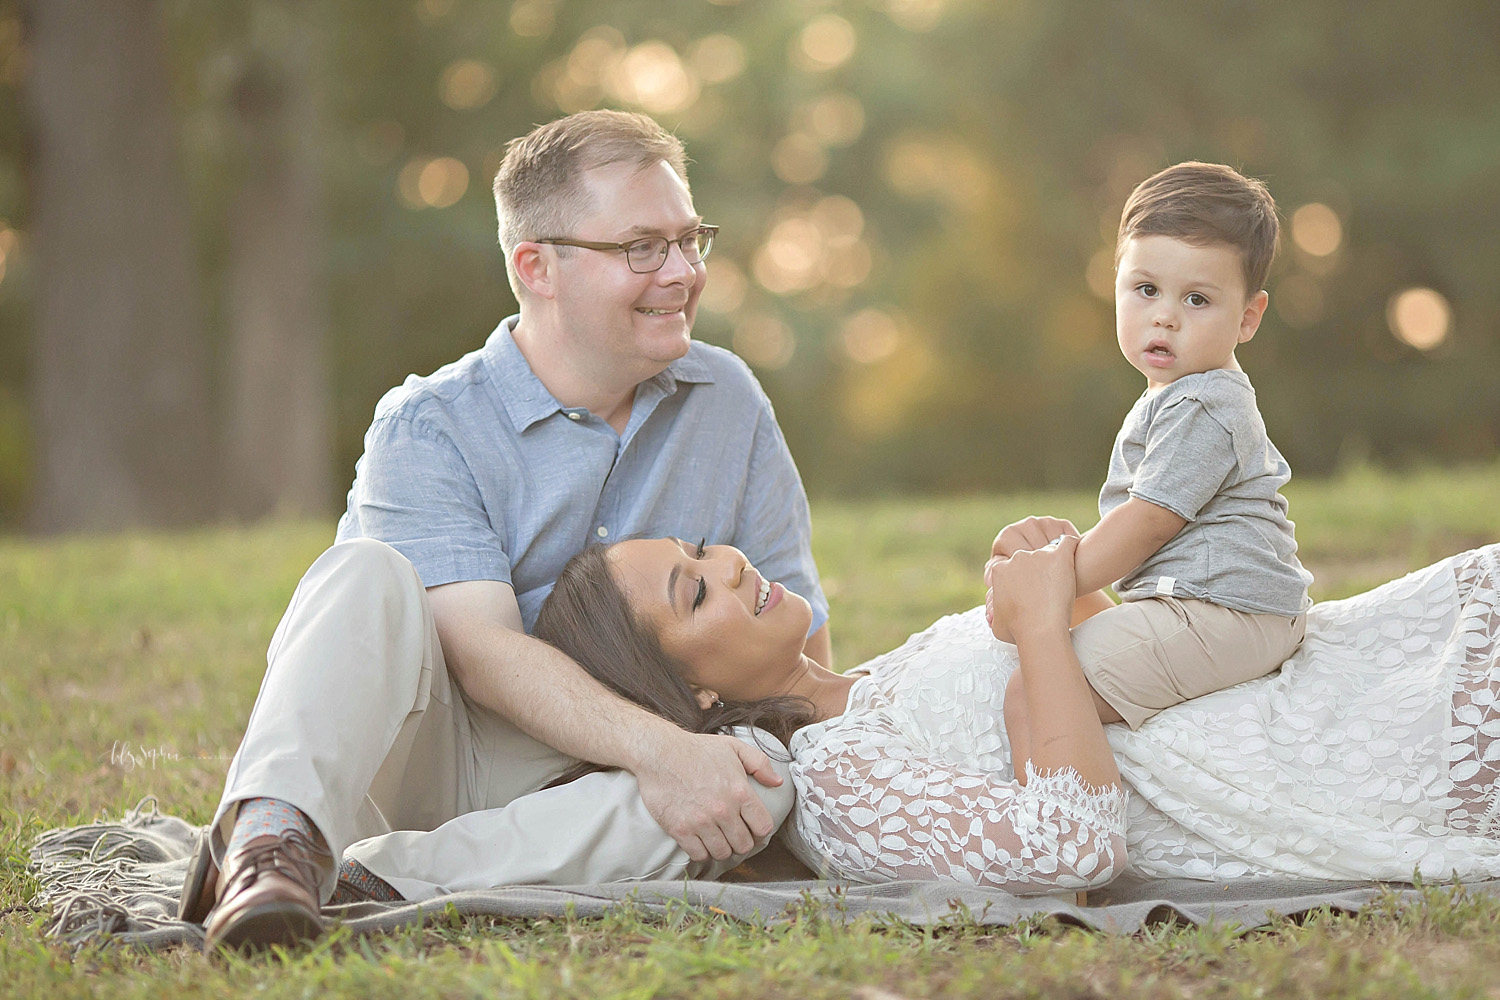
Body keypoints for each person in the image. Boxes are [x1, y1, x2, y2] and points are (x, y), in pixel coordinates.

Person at [184, 110, 831, 952]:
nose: (681, 272)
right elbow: (481, 653)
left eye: (688, 238)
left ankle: (367, 878)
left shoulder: (727, 399)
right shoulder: (431, 426)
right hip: (444, 758)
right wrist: (664, 753)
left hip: (606, 791)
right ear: (537, 267)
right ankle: (269, 840)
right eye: (641, 247)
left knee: (761, 769)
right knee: (366, 574)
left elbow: (796, 635)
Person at [535, 529, 1500, 891]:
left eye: (702, 550)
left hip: (1315, 667)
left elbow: (1108, 683)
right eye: (694, 591)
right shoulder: (836, 791)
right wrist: (1039, 632)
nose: (729, 564)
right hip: (1297, 756)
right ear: (689, 695)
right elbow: (1072, 850)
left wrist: (1063, 586)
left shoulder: (884, 674)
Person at [995, 163, 1313, 776]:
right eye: (1146, 290)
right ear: (1115, 285)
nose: (1165, 316)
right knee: (1053, 649)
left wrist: (1050, 587)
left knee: (1036, 689)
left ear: (1248, 317)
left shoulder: (1202, 403)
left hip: (1232, 613)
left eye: (1196, 299)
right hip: (1212, 606)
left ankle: (1052, 835)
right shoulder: (1176, 395)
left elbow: (1147, 525)